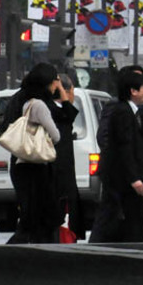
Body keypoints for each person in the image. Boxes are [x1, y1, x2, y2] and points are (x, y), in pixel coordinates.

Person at [90, 68, 143, 243]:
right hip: (123, 179)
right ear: (133, 91)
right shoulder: (122, 112)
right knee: (116, 217)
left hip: (125, 178)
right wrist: (134, 178)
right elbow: (124, 147)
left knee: (128, 218)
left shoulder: (130, 112)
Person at [5, 63, 63, 244]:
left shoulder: (22, 101)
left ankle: (27, 250)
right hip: (38, 167)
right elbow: (56, 135)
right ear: (47, 83)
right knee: (39, 215)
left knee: (30, 213)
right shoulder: (40, 105)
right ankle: (20, 250)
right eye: (55, 81)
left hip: (21, 164)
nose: (57, 85)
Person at [51, 73, 84, 240]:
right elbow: (70, 114)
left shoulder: (57, 111)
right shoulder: (57, 112)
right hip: (59, 176)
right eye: (71, 90)